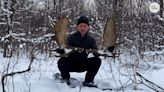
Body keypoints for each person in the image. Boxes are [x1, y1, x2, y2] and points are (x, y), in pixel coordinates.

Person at [57, 16, 114, 87]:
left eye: (85, 26)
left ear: (88, 27)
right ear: (77, 27)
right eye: (81, 26)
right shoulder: (71, 38)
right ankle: (65, 78)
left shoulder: (91, 40)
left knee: (97, 61)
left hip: (84, 64)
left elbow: (95, 54)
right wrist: (61, 50)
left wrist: (107, 51)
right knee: (61, 61)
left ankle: (88, 81)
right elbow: (65, 50)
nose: (83, 28)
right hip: (71, 64)